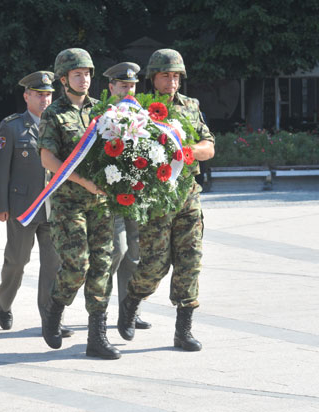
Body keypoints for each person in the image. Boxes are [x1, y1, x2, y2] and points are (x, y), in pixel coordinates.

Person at [117, 49, 215, 352]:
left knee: (190, 262)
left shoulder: (191, 106)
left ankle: (183, 330)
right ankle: (131, 302)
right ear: (153, 78)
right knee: (155, 264)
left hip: (187, 196)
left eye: (175, 76)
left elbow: (209, 146)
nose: (171, 82)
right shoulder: (140, 110)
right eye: (165, 76)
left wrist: (188, 150)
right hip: (156, 199)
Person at [38, 48, 120, 360]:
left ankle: (97, 336)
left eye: (87, 73)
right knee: (77, 265)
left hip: (100, 203)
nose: (84, 79)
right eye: (77, 74)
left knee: (102, 265)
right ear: (63, 79)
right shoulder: (53, 113)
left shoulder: (102, 111)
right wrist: (83, 181)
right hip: (68, 202)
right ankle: (55, 307)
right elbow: (47, 158)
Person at [0, 70, 73, 338]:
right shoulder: (12, 126)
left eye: (48, 94)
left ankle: (50, 319)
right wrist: (0, 204)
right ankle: (4, 303)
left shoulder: (61, 124)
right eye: (39, 94)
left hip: (54, 207)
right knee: (17, 261)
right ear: (26, 96)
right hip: (24, 207)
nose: (45, 99)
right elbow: (1, 169)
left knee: (53, 265)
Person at [102, 62, 152, 332]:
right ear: (111, 88)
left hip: (136, 196)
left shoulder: (144, 117)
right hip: (109, 197)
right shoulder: (102, 116)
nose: (129, 91)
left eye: (132, 86)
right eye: (123, 86)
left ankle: (130, 312)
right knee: (116, 251)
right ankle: (99, 308)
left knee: (134, 254)